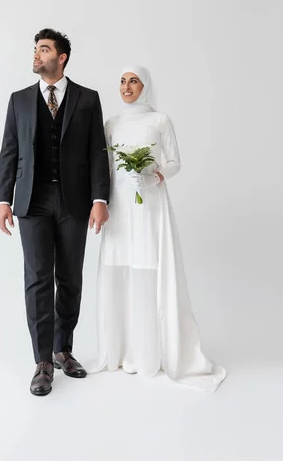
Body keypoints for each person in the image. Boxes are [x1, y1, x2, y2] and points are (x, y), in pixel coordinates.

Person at [93, 65, 226, 391]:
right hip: (119, 206)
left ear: (145, 86)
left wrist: (155, 176)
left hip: (149, 206)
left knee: (147, 268)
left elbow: (175, 161)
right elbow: (105, 166)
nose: (126, 87)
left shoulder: (160, 120)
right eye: (122, 81)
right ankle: (123, 350)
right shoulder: (112, 123)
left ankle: (149, 353)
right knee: (121, 269)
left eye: (133, 81)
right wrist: (100, 201)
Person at [0, 29, 110, 396]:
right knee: (38, 279)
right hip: (32, 202)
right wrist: (2, 199)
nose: (36, 54)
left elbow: (97, 153)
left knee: (70, 279)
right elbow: (9, 152)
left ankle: (64, 349)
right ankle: (43, 361)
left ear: (61, 58)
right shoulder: (19, 100)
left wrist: (100, 200)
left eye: (43, 49)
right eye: (35, 49)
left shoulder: (88, 100)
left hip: (74, 202)